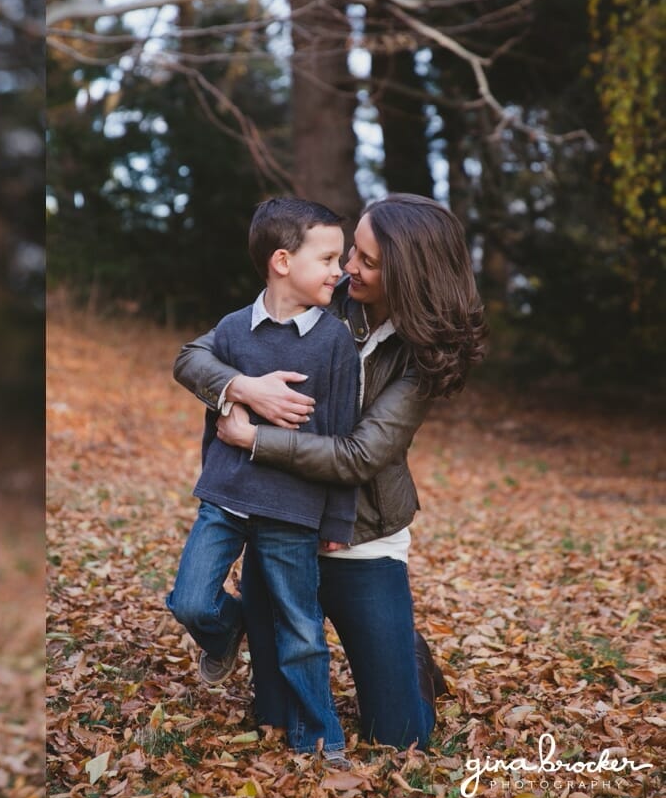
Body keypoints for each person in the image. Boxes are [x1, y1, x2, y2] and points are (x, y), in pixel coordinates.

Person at [174, 193, 487, 749]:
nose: (347, 268)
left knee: (399, 737)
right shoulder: (318, 289)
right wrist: (242, 388)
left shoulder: (424, 354)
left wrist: (255, 438)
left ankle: (405, 651)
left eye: (367, 261)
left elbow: (360, 455)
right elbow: (198, 355)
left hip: (361, 537)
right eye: (349, 254)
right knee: (274, 716)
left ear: (408, 275)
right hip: (282, 520)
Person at [166, 198, 359, 765]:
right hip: (225, 498)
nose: (339, 270)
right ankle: (229, 630)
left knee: (302, 630)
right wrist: (238, 394)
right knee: (190, 601)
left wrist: (337, 519)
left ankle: (320, 736)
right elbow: (197, 375)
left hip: (292, 508)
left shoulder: (335, 341)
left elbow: (341, 434)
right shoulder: (232, 330)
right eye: (327, 258)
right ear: (282, 261)